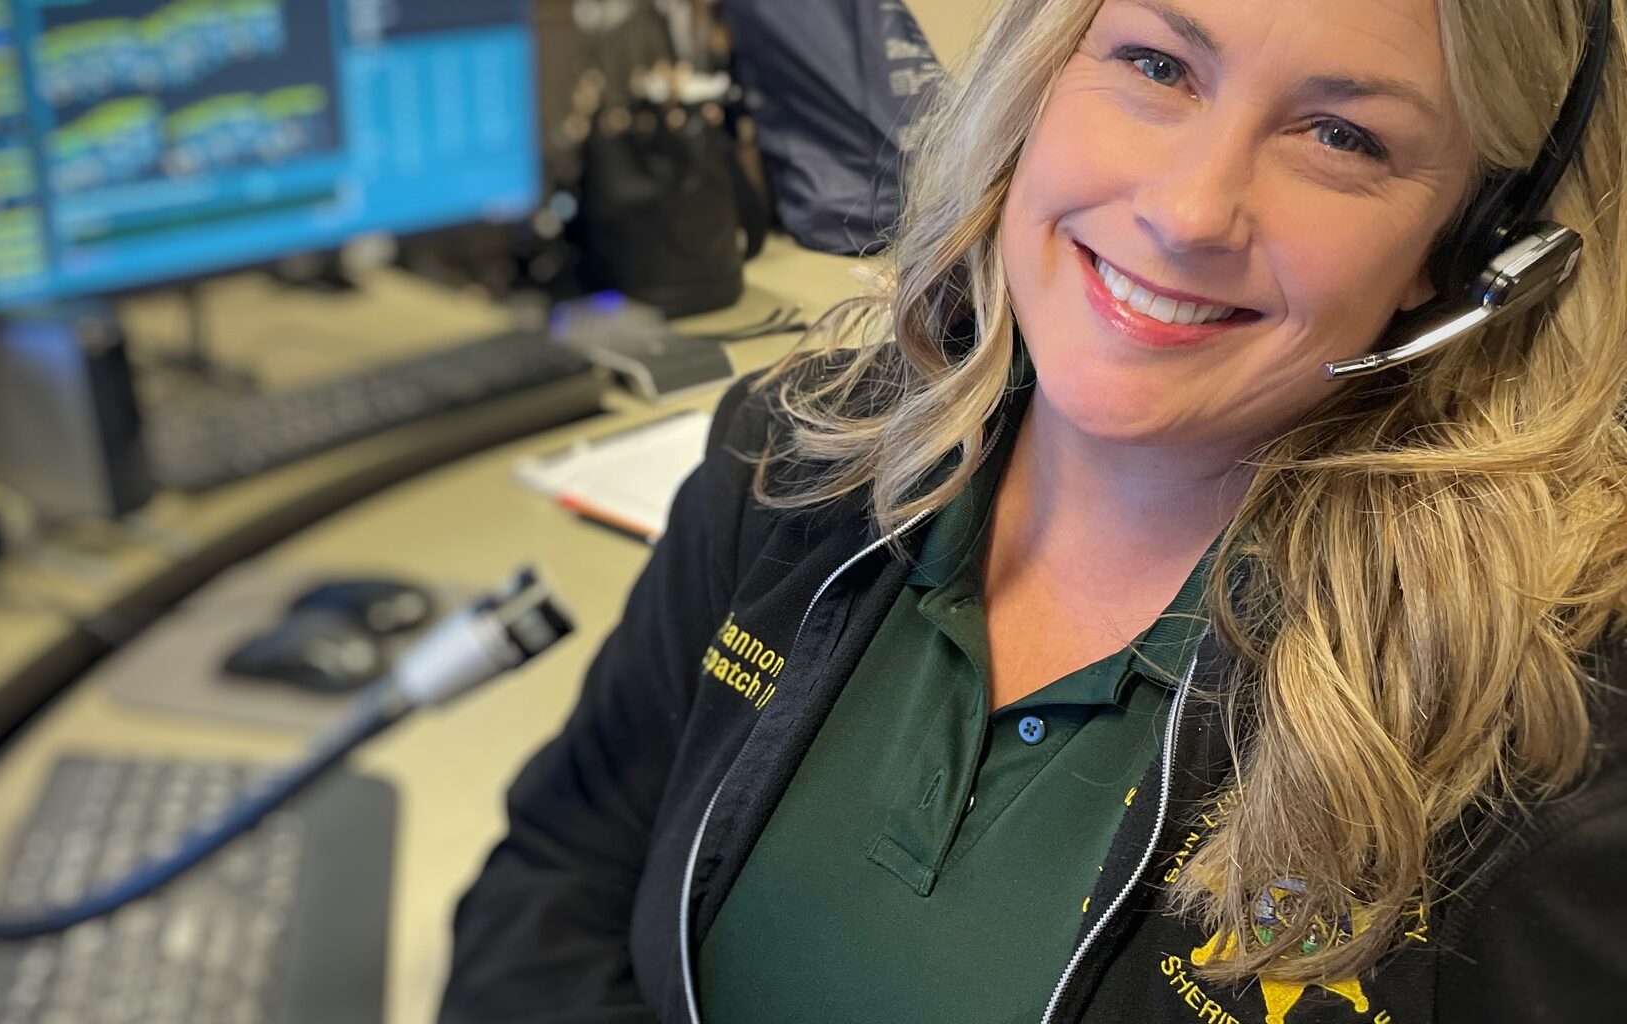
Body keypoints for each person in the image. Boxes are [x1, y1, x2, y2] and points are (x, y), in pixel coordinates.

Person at [444, 0, 1627, 1020]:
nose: (1189, 211)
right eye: (1158, 65)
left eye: (1338, 135)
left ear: (1477, 252)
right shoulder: (801, 452)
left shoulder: (1541, 737)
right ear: (1040, 76)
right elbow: (555, 879)